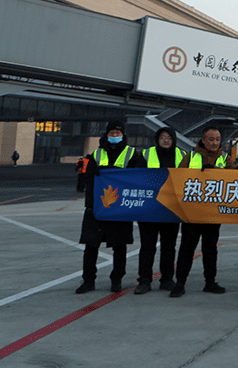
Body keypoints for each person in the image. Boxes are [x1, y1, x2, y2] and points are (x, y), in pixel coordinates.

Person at [75, 121, 139, 294]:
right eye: (112, 133)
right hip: (97, 206)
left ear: (123, 135)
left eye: (118, 133)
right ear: (106, 134)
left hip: (120, 207)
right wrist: (87, 174)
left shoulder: (132, 153)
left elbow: (138, 177)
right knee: (91, 245)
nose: (114, 136)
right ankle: (88, 280)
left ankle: (116, 280)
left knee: (119, 246)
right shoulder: (96, 154)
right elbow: (86, 179)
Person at [172, 125, 232, 297]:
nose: (214, 143)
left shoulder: (225, 159)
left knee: (210, 249)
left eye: (217, 139)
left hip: (213, 213)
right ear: (203, 140)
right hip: (192, 213)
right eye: (211, 139)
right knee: (187, 248)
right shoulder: (190, 157)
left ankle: (210, 282)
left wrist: (216, 172)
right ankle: (180, 283)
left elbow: (234, 179)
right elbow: (178, 178)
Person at [134, 127, 183, 295]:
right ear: (157, 139)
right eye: (162, 137)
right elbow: (136, 176)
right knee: (147, 247)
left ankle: (167, 279)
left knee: (169, 247)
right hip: (149, 209)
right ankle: (144, 281)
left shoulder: (182, 156)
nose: (166, 140)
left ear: (174, 140)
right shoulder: (146, 155)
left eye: (169, 137)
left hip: (171, 209)